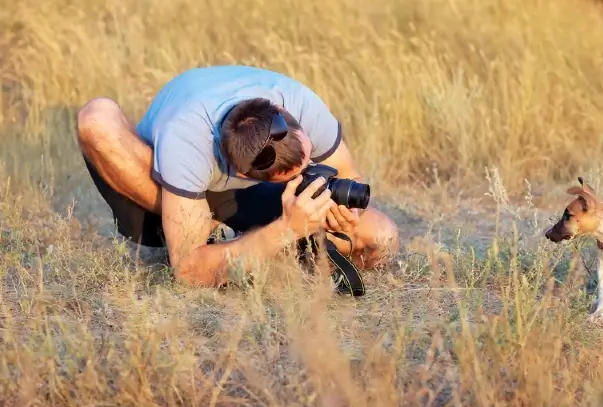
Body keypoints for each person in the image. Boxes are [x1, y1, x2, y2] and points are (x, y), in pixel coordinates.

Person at [75, 65, 399, 288]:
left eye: (307, 164)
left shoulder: (299, 101)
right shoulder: (186, 141)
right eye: (292, 176)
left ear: (291, 119)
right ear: (243, 174)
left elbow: (348, 175)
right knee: (96, 117)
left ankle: (243, 247)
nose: (306, 176)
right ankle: (226, 239)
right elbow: (188, 272)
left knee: (381, 237)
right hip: (171, 195)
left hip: (250, 200)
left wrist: (345, 214)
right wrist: (286, 230)